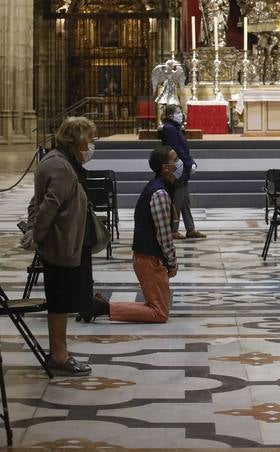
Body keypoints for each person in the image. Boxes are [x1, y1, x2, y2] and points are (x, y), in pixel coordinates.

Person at [24, 116, 97, 375]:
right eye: (89, 138)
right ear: (76, 139)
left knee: (63, 301)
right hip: (62, 245)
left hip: (67, 242)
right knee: (60, 302)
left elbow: (40, 202)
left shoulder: (60, 161)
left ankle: (60, 351)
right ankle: (59, 355)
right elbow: (47, 206)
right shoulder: (61, 166)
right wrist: (38, 235)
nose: (91, 144)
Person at [94, 148, 180, 324]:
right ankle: (102, 308)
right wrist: (172, 262)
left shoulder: (158, 187)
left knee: (156, 306)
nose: (180, 163)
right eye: (175, 159)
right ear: (165, 168)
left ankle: (101, 306)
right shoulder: (160, 193)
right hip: (150, 259)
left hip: (147, 257)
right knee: (159, 312)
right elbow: (164, 235)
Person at [158, 104, 205, 240]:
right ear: (171, 115)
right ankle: (173, 230)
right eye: (178, 112)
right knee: (177, 200)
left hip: (181, 166)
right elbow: (177, 149)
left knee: (185, 200)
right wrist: (189, 163)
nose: (181, 114)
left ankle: (190, 229)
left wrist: (191, 162)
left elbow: (184, 149)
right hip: (176, 167)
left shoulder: (174, 128)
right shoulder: (169, 129)